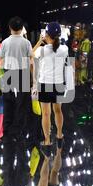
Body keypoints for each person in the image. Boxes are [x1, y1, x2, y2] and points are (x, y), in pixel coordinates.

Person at [32, 22, 68, 156]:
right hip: (59, 83)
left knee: (46, 114)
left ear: (46, 34)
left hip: (45, 84)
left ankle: (47, 141)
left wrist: (40, 41)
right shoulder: (64, 49)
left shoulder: (42, 50)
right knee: (58, 111)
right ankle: (59, 135)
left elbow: (31, 53)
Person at [0, 17, 33, 144]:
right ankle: (19, 129)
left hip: (8, 71)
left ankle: (6, 128)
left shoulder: (5, 42)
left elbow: (0, 60)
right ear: (21, 28)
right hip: (22, 72)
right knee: (22, 102)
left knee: (8, 100)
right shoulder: (26, 43)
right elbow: (30, 60)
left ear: (10, 28)